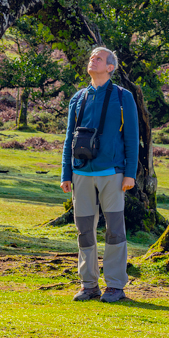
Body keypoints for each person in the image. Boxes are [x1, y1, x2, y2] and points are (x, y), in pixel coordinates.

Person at [60, 46, 139, 302]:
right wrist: (66, 173)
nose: (93, 60)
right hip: (81, 173)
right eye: (92, 57)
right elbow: (69, 138)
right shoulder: (78, 98)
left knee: (115, 230)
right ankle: (89, 284)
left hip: (112, 173)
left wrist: (130, 174)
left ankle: (115, 285)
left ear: (110, 67)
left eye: (99, 58)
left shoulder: (123, 96)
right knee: (84, 230)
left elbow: (131, 137)